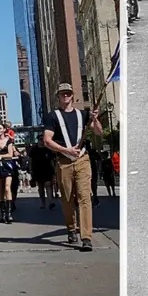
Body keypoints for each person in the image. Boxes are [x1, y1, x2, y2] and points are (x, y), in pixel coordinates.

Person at [42, 83, 103, 252]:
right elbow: (47, 140)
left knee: (84, 197)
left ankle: (86, 237)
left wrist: (95, 119)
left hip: (83, 160)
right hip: (63, 161)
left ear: (73, 95)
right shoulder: (52, 116)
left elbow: (99, 132)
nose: (66, 96)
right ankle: (71, 228)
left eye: (68, 93)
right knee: (67, 199)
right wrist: (65, 150)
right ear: (58, 96)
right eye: (63, 94)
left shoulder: (82, 115)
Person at [0, 124, 19, 224]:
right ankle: (3, 214)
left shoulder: (9, 141)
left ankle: (9, 214)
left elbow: (10, 155)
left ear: (4, 130)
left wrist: (1, 156)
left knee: (7, 188)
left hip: (7, 166)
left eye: (0, 128)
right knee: (0, 190)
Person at [28, 142, 57, 210]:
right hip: (37, 170)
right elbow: (30, 160)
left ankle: (50, 202)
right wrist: (30, 170)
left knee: (48, 184)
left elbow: (51, 160)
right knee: (40, 187)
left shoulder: (48, 149)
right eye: (41, 139)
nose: (42, 141)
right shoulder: (34, 149)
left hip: (47, 170)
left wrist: (54, 170)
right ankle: (43, 203)